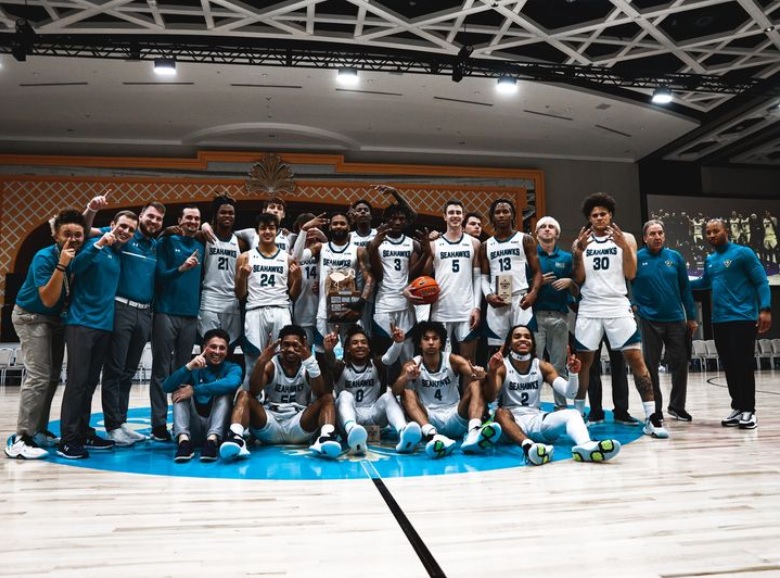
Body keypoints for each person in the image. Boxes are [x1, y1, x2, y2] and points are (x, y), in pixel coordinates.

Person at [571, 192, 669, 439]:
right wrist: (577, 252)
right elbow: (579, 278)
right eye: (594, 215)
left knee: (636, 360)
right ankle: (578, 415)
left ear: (610, 215)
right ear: (589, 219)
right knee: (584, 364)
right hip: (590, 306)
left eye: (603, 213)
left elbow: (631, 273)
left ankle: (652, 417)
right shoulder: (580, 242)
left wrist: (625, 248)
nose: (599, 218)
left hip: (617, 305)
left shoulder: (626, 238)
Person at [57, 211, 139, 459]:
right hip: (81, 323)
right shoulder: (94, 243)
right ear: (111, 225)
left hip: (104, 325)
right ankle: (68, 440)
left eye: (130, 230)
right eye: (122, 226)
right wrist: (100, 240)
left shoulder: (117, 252)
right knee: (77, 383)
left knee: (90, 384)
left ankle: (83, 432)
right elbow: (75, 267)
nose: (125, 232)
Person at [5, 210, 86, 459]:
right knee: (39, 376)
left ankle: (38, 430)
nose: (72, 239)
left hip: (55, 320)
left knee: (51, 378)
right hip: (31, 316)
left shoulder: (80, 255)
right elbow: (49, 299)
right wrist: (62, 265)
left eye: (78, 235)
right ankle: (21, 438)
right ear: (55, 236)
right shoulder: (45, 257)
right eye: (67, 234)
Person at [486, 325, 621, 465]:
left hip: (536, 420)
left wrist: (573, 374)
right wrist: (491, 371)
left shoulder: (542, 366)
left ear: (533, 343)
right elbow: (490, 397)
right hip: (512, 422)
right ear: (509, 344)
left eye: (527, 336)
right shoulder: (502, 367)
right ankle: (529, 447)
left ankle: (585, 446)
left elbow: (570, 393)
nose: (523, 339)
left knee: (573, 413)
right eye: (517, 336)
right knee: (500, 413)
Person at [691, 218, 771, 429]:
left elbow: (761, 281)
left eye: (715, 231)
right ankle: (738, 407)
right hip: (720, 321)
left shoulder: (743, 253)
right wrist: (680, 282)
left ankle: (749, 411)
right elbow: (704, 283)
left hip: (742, 318)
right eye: (708, 232)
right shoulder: (710, 259)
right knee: (729, 365)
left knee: (743, 364)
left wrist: (765, 308)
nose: (711, 235)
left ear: (726, 231)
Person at [219, 324, 341, 460]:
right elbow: (254, 390)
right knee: (244, 395)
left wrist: (310, 361)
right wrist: (261, 361)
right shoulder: (271, 365)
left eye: (296, 345)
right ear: (280, 345)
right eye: (286, 345)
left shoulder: (308, 365)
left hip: (299, 424)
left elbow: (320, 393)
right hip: (270, 423)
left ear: (304, 344)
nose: (290, 349)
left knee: (327, 398)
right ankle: (236, 438)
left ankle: (325, 439)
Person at [100, 201, 166, 447]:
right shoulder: (124, 238)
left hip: (144, 313)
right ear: (141, 217)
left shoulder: (155, 246)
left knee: (129, 371)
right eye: (150, 216)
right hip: (121, 308)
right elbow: (98, 232)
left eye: (159, 219)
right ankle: (112, 426)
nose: (154, 221)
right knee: (114, 369)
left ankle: (121, 422)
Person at [392, 321, 501, 459]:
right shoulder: (413, 364)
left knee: (475, 384)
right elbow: (395, 392)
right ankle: (434, 436)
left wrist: (483, 374)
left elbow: (482, 383)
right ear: (419, 343)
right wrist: (406, 377)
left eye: (435, 338)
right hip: (429, 418)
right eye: (426, 339)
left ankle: (474, 432)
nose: (431, 342)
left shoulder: (453, 360)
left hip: (455, 416)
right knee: (407, 393)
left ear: (441, 342)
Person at [632, 220, 698, 422]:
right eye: (652, 234)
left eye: (660, 233)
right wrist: (634, 304)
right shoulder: (636, 258)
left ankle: (677, 406)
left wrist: (692, 317)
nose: (657, 237)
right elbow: (625, 282)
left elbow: (685, 288)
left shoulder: (675, 257)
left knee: (680, 363)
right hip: (649, 319)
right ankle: (656, 409)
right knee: (650, 366)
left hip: (676, 319)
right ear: (644, 238)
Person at [149, 205, 205, 442]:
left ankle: (180, 423)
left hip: (190, 315)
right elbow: (158, 275)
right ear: (179, 220)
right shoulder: (166, 243)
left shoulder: (201, 247)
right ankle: (159, 424)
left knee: (184, 371)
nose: (193, 221)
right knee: (161, 369)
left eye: (197, 219)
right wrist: (181, 269)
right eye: (189, 217)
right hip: (166, 312)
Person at [323, 324, 422, 454]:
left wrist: (398, 343)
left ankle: (403, 432)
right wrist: (329, 350)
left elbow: (389, 358)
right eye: (355, 343)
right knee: (344, 395)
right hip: (348, 424)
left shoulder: (376, 364)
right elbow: (330, 362)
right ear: (347, 349)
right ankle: (353, 430)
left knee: (388, 395)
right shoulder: (340, 367)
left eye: (363, 342)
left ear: (369, 348)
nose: (359, 345)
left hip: (373, 421)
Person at [236, 212, 302, 389]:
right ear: (257, 231)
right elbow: (240, 295)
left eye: (271, 228)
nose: (267, 232)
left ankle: (275, 399)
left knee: (281, 359)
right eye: (263, 228)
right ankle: (251, 400)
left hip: (281, 309)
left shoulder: (287, 258)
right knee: (253, 361)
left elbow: (293, 296)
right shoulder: (245, 257)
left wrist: (299, 279)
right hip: (255, 310)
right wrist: (242, 278)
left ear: (277, 230)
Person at [292, 211, 373, 349]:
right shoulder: (321, 247)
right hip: (325, 311)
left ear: (348, 227)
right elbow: (296, 258)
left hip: (349, 309)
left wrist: (361, 302)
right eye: (335, 223)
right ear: (330, 227)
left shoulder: (358, 250)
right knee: (324, 353)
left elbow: (370, 279)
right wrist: (304, 230)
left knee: (350, 351)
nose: (338, 226)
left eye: (342, 223)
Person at [163, 328, 242, 463]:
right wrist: (188, 367)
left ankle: (211, 441)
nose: (217, 352)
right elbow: (167, 387)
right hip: (192, 429)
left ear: (227, 350)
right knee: (180, 392)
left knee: (223, 393)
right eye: (213, 347)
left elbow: (232, 383)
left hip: (217, 430)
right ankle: (184, 442)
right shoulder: (193, 366)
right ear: (204, 347)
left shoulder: (232, 367)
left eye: (222, 348)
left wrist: (195, 390)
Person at [417, 200, 481, 362]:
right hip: (441, 309)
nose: (455, 216)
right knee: (442, 359)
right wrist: (426, 252)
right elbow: (424, 276)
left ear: (463, 216)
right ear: (444, 217)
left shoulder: (474, 243)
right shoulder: (434, 244)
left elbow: (478, 277)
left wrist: (477, 307)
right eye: (451, 213)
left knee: (468, 359)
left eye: (458, 213)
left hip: (466, 309)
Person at [368, 202, 429, 363]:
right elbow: (378, 275)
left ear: (406, 222)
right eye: (393, 218)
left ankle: (408, 387)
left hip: (405, 305)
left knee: (407, 355)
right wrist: (373, 249)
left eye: (401, 219)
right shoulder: (377, 242)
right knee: (384, 356)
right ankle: (385, 388)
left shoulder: (412, 243)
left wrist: (426, 253)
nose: (397, 222)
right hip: (384, 304)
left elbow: (412, 276)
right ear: (386, 219)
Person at [480, 198, 542, 351]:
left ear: (512, 215)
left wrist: (533, 293)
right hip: (497, 300)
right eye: (497, 212)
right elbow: (483, 277)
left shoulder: (525, 240)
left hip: (520, 299)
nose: (501, 215)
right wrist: (488, 296)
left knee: (524, 347)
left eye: (506, 211)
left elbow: (537, 272)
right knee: (497, 350)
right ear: (492, 217)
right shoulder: (486, 245)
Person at [533, 216, 578, 409]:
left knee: (558, 366)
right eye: (543, 227)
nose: (547, 229)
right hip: (535, 318)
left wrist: (570, 282)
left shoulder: (567, 258)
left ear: (557, 233)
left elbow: (577, 288)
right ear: (536, 234)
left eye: (551, 227)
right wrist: (537, 283)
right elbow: (521, 286)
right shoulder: (531, 257)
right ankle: (531, 407)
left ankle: (561, 407)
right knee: (533, 366)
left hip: (560, 317)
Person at [198, 194, 247, 349]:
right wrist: (203, 225)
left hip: (232, 301)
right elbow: (181, 232)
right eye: (223, 212)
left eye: (231, 213)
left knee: (229, 348)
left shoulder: (240, 243)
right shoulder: (204, 237)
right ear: (216, 215)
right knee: (208, 348)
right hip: (209, 299)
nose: (227, 216)